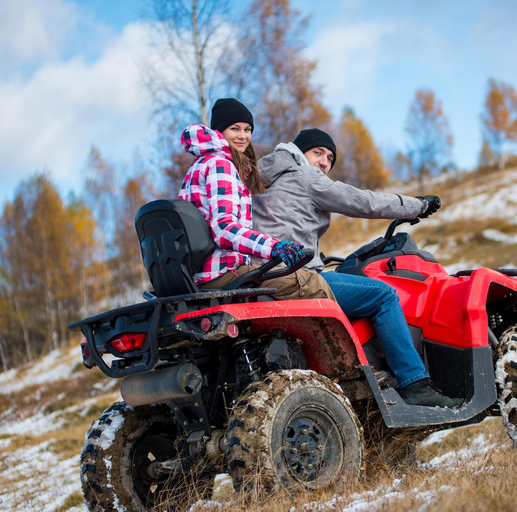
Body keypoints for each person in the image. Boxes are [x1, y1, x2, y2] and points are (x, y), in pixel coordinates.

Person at [252, 128, 463, 408]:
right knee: (384, 296)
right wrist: (417, 205)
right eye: (318, 153)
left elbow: (283, 228)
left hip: (260, 275)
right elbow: (362, 202)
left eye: (330, 158)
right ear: (298, 152)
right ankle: (416, 383)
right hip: (295, 277)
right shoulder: (304, 176)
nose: (324, 163)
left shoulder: (262, 179)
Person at [178, 99, 335, 301]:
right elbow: (224, 229)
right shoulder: (220, 165)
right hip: (220, 272)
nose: (243, 136)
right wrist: (275, 247)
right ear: (220, 131)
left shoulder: (200, 164)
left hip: (207, 271)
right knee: (313, 284)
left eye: (248, 129)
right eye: (235, 129)